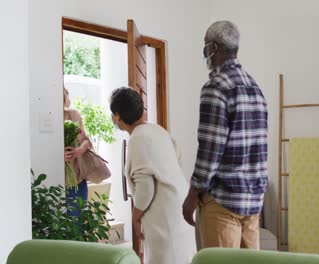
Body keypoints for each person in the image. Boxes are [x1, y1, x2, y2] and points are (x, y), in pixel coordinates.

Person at [182, 20, 269, 249]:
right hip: (253, 202)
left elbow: (209, 151)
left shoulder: (215, 88)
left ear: (212, 49)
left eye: (204, 48)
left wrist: (192, 196)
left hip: (223, 202)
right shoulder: (255, 88)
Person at [110, 87, 196, 264]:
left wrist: (135, 217)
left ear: (117, 116)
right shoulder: (157, 130)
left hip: (163, 217)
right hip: (180, 206)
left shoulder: (137, 138)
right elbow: (178, 157)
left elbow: (146, 188)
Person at [63, 87, 92, 216]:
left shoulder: (73, 115)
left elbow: (86, 141)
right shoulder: (45, 119)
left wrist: (78, 151)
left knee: (77, 226)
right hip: (56, 183)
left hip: (77, 180)